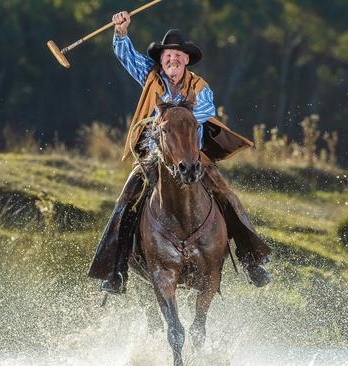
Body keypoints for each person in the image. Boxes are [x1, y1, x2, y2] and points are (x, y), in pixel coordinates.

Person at [87, 11, 271, 294]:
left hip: (193, 156)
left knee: (227, 196)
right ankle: (116, 271)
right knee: (124, 201)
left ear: (186, 60)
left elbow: (205, 110)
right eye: (167, 56)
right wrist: (121, 32)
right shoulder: (150, 76)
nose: (172, 60)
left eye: (178, 56)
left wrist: (174, 113)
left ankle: (252, 261)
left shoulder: (200, 87)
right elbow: (127, 57)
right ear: (161, 60)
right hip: (154, 155)